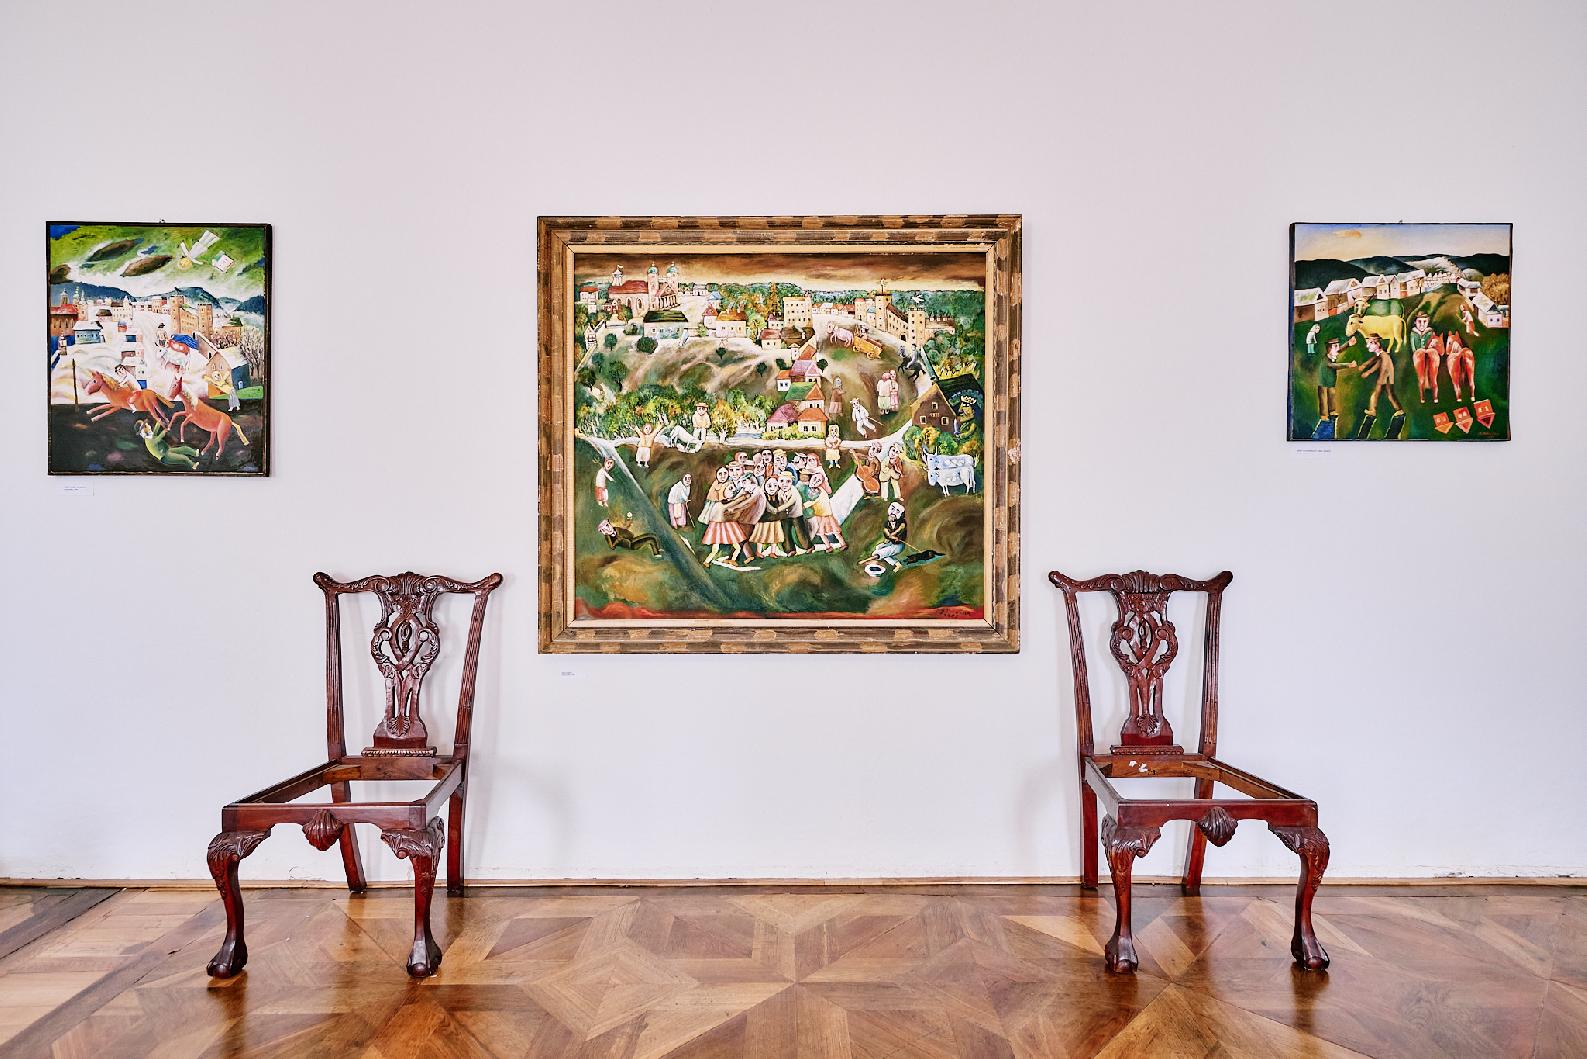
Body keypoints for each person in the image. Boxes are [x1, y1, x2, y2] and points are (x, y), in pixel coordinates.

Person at [1353, 334, 1404, 439]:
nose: (1367, 346)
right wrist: (1367, 369)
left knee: (1378, 394)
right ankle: (1398, 410)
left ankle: (1373, 411)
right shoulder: (1380, 355)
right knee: (1389, 395)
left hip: (1386, 377)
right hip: (1386, 377)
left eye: (1370, 344)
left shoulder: (1384, 355)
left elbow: (1383, 366)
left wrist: (1380, 379)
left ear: (1377, 344)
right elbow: (1375, 362)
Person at [1312, 336, 1360, 440]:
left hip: (1331, 382)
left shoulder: (1333, 354)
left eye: (1338, 346)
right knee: (1323, 399)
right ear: (1329, 349)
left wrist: (1348, 344)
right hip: (1323, 383)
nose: (1338, 348)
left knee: (1332, 396)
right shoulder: (1326, 360)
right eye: (1335, 346)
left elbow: (1340, 350)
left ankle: (1332, 411)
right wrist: (1348, 365)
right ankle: (1324, 415)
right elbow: (1334, 366)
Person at [750, 477, 794, 558]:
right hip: (764, 520)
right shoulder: (763, 497)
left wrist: (784, 501)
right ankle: (758, 552)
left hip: (775, 520)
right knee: (761, 536)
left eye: (775, 486)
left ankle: (772, 552)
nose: (772, 488)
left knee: (774, 536)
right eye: (769, 486)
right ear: (764, 486)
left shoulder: (778, 496)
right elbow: (770, 509)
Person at [802, 470, 844, 551]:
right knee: (821, 533)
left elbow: (815, 501)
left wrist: (804, 505)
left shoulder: (819, 490)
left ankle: (842, 544)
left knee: (834, 531)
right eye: (815, 478)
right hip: (819, 514)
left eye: (819, 481)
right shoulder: (809, 489)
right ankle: (828, 546)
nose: (816, 481)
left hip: (825, 514)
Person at [860, 501, 909, 571]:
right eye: (892, 509)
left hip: (898, 545)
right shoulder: (887, 523)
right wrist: (888, 538)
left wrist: (865, 560)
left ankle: (869, 560)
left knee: (880, 553)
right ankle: (897, 564)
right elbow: (887, 533)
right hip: (891, 543)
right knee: (879, 548)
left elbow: (899, 530)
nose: (893, 513)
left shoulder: (902, 523)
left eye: (897, 511)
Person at [776, 469, 810, 555]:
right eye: (782, 481)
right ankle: (790, 550)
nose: (784, 484)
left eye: (788, 481)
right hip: (785, 515)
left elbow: (790, 502)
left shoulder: (794, 491)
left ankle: (808, 546)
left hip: (796, 514)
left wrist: (779, 509)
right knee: (785, 532)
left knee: (800, 531)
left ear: (791, 482)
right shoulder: (779, 492)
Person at [1409, 313, 1439, 403]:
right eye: (1419, 322)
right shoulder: (1413, 333)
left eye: (1424, 322)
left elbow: (1434, 343)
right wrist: (1418, 352)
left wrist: (1433, 344)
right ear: (1415, 322)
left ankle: (1435, 396)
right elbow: (1413, 346)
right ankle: (1422, 396)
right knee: (1420, 376)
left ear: (1428, 322)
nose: (1422, 324)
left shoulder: (1430, 332)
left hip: (1429, 352)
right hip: (1418, 354)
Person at [598, 517, 663, 557]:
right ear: (603, 531)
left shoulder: (616, 528)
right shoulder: (608, 537)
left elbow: (624, 530)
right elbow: (612, 547)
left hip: (632, 539)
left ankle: (657, 551)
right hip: (630, 544)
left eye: (608, 525)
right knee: (650, 538)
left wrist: (628, 524)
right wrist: (617, 541)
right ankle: (657, 553)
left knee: (651, 538)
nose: (608, 529)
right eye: (605, 529)